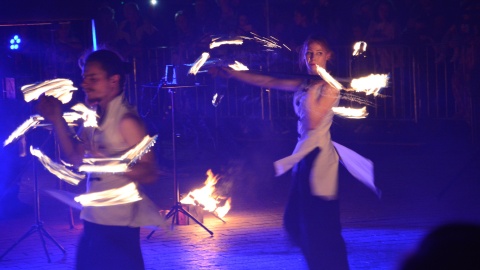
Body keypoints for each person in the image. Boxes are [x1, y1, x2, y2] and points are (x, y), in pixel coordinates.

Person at [209, 34, 377, 270]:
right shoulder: (305, 83)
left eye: (318, 53)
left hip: (318, 158)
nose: (312, 58)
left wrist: (313, 88)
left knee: (318, 224)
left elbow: (311, 122)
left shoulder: (329, 88)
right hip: (304, 154)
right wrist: (232, 73)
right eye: (308, 52)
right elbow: (267, 81)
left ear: (328, 56)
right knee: (295, 222)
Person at [35, 49, 162, 270]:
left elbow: (150, 172)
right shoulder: (95, 119)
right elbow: (75, 157)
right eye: (84, 78)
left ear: (114, 81)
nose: (85, 84)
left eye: (93, 78)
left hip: (118, 227)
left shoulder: (126, 121)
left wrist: (112, 163)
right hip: (94, 221)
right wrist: (57, 121)